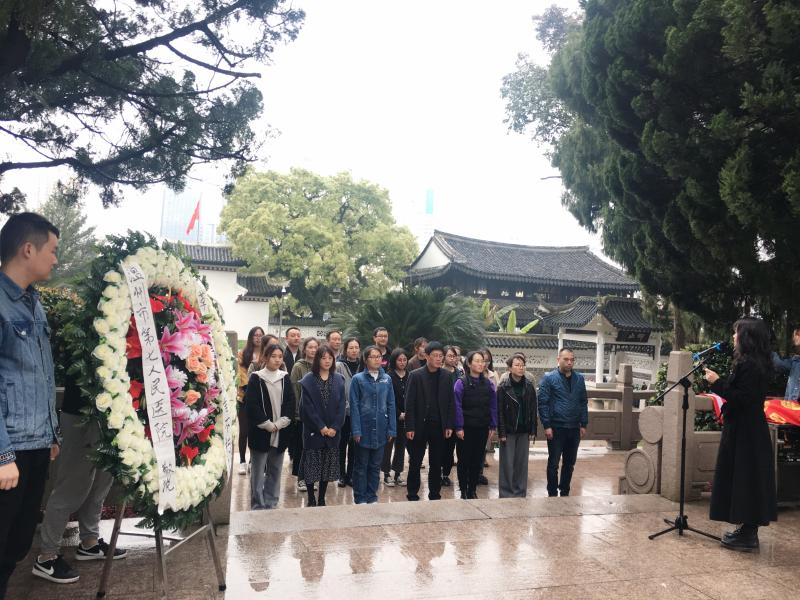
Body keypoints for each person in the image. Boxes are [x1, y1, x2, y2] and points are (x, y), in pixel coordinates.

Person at [0, 213, 61, 596]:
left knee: (18, 543)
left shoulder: (33, 303)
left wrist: (51, 433)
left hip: (35, 445)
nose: (55, 259)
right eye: (52, 250)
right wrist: (2, 454)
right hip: (10, 452)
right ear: (27, 249)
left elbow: (38, 373)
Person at [704, 317, 778, 551]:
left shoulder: (751, 365)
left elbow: (743, 398)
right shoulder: (754, 362)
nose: (733, 337)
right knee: (745, 477)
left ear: (747, 337)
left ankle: (748, 535)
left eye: (737, 332)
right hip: (746, 428)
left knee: (746, 477)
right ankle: (746, 530)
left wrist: (717, 383)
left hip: (746, 431)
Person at [244, 343, 294, 509]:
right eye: (273, 356)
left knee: (276, 469)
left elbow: (290, 402)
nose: (277, 360)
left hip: (280, 431)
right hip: (261, 431)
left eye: (280, 357)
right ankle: (258, 503)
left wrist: (281, 423)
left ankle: (271, 502)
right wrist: (266, 424)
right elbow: (252, 404)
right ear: (265, 358)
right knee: (258, 471)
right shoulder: (256, 378)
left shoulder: (284, 377)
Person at [404, 341, 455, 501]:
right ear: (427, 356)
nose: (439, 359)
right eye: (435, 356)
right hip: (419, 425)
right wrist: (409, 426)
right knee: (415, 461)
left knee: (436, 462)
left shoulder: (447, 376)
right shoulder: (416, 375)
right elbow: (409, 403)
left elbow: (450, 402)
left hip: (439, 425)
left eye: (441, 356)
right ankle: (412, 493)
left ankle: (434, 493)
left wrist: (449, 424)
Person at [537, 348, 588, 497]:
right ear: (558, 360)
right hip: (556, 427)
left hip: (574, 427)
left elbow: (583, 402)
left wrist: (584, 423)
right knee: (554, 463)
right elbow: (543, 403)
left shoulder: (579, 379)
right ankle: (552, 492)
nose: (569, 362)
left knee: (570, 463)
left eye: (572, 359)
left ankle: (565, 490)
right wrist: (547, 425)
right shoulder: (549, 378)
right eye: (566, 359)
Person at [349, 346, 396, 504]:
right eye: (373, 357)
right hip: (363, 429)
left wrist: (392, 429)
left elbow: (391, 404)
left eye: (379, 357)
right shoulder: (358, 379)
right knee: (361, 466)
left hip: (381, 429)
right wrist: (356, 430)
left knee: (375, 466)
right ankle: (360, 497)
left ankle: (372, 496)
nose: (377, 360)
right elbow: (354, 406)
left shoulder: (387, 379)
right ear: (365, 359)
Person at [299, 345, 346, 507]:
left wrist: (335, 427)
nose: (327, 361)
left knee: (327, 466)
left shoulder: (339, 379)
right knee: (312, 465)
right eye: (323, 358)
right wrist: (321, 427)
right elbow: (307, 408)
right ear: (317, 359)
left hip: (333, 432)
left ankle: (321, 498)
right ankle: (311, 498)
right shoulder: (308, 380)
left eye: (330, 358)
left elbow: (342, 406)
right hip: (314, 431)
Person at [453, 351, 497, 499]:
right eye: (477, 361)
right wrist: (459, 427)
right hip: (465, 428)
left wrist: (492, 425)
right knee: (464, 460)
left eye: (482, 361)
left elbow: (493, 405)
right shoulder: (461, 383)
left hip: (482, 427)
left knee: (477, 461)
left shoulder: (488, 384)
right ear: (469, 363)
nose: (480, 364)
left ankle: (472, 490)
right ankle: (463, 490)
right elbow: (457, 406)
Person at [497, 353, 538, 498]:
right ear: (509, 368)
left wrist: (533, 429)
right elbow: (499, 411)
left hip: (524, 430)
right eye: (517, 365)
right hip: (508, 430)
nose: (521, 368)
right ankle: (506, 493)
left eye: (522, 365)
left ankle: (520, 492)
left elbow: (533, 409)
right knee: (507, 464)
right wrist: (501, 432)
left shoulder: (529, 386)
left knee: (522, 463)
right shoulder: (503, 387)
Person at [290, 337, 319, 491]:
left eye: (315, 347)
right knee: (301, 447)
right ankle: (301, 478)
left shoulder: (321, 365)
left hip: (318, 416)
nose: (313, 350)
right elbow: (294, 391)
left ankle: (312, 476)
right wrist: (297, 413)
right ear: (305, 349)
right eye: (310, 347)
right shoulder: (298, 367)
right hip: (302, 415)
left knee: (315, 448)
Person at [237, 326, 265, 474]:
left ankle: (252, 461)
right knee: (244, 430)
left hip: (261, 398)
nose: (258, 338)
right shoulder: (243, 353)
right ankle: (242, 460)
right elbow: (241, 373)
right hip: (245, 396)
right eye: (255, 335)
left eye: (261, 335)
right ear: (251, 337)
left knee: (256, 431)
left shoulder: (266, 354)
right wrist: (251, 386)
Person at [335, 337, 361, 487]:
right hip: (342, 412)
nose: (354, 350)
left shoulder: (363, 365)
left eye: (356, 347)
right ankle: (341, 475)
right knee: (341, 444)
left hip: (357, 413)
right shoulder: (339, 365)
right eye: (351, 348)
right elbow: (335, 386)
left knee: (354, 445)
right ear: (346, 350)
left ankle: (350, 475)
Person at [383, 348, 409, 487]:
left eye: (404, 360)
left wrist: (407, 413)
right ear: (394, 360)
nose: (402, 362)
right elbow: (387, 398)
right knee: (388, 445)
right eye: (399, 360)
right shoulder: (388, 376)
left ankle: (398, 473)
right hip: (391, 417)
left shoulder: (410, 375)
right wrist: (399, 413)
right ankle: (386, 474)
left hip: (406, 418)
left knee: (401, 446)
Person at [440, 345, 463, 487]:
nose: (452, 358)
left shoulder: (460, 373)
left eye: (454, 356)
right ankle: (437, 472)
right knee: (440, 447)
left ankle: (446, 474)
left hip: (456, 415)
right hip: (441, 415)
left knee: (450, 448)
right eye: (450, 356)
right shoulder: (439, 372)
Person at [772, 326, 800, 401]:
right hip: (792, 404)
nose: (794, 338)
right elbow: (779, 364)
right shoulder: (795, 361)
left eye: (796, 334)